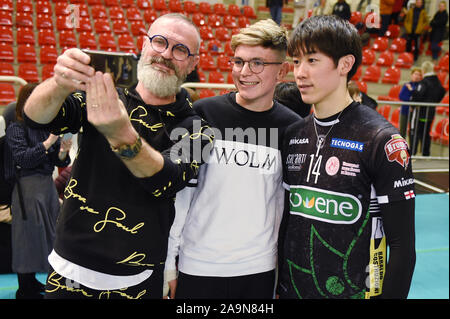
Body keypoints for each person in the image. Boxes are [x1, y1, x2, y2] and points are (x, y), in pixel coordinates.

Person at [23, 13, 214, 299]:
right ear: (144, 44)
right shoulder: (103, 93)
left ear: (193, 62)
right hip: (69, 269)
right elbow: (35, 118)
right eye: (160, 42)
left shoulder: (198, 129)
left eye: (180, 49)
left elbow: (166, 180)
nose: (165, 55)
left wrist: (120, 132)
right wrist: (60, 83)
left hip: (137, 278)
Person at [278, 15, 416, 299]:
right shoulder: (293, 135)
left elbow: (402, 247)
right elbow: (286, 226)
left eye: (312, 60)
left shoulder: (381, 140)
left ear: (345, 64)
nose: (300, 73)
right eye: (296, 62)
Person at [164, 19, 301, 299]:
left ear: (282, 71)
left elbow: (283, 207)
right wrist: (168, 265)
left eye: (257, 63)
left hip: (258, 269)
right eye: (238, 62)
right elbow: (179, 197)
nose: (244, 72)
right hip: (197, 264)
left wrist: (282, 274)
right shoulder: (201, 114)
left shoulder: (293, 129)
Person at [4, 83, 72, 299]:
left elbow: (56, 160)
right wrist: (48, 143)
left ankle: (33, 283)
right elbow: (23, 158)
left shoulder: (46, 127)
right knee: (27, 238)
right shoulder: (16, 128)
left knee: (50, 236)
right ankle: (24, 289)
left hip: (46, 187)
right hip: (27, 189)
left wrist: (62, 153)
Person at [409, 60, 446, 156]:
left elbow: (418, 95)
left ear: (424, 70)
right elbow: (442, 91)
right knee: (426, 133)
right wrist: (435, 102)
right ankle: (426, 154)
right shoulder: (437, 82)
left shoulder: (424, 82)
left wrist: (413, 104)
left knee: (416, 131)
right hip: (430, 113)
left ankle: (412, 153)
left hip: (421, 112)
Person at [398, 67, 422, 138]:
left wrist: (411, 91)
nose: (417, 76)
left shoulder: (420, 86)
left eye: (419, 74)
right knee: (402, 130)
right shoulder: (407, 84)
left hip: (415, 111)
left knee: (413, 130)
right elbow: (401, 96)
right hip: (405, 110)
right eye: (415, 74)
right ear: (412, 75)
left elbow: (417, 97)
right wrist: (410, 99)